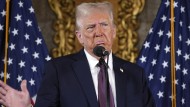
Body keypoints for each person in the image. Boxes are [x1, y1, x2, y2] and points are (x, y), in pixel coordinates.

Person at [0, 1, 155, 107]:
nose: (99, 33)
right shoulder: (58, 71)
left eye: (104, 25)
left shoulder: (135, 74)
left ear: (113, 31)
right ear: (79, 36)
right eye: (90, 27)